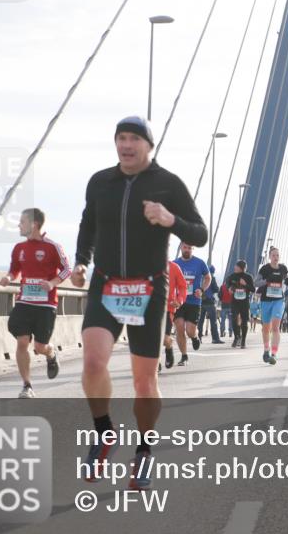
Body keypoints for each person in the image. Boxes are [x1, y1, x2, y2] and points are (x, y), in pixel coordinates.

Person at [72, 116, 207, 490]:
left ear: (149, 145)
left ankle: (145, 451)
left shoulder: (168, 185)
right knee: (93, 361)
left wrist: (169, 219)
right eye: (120, 138)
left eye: (134, 138)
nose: (126, 145)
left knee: (144, 382)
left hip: (149, 289)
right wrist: (81, 261)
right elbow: (88, 225)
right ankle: (104, 433)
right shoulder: (100, 181)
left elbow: (200, 232)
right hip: (106, 283)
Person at [0, 207, 70, 398]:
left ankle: (51, 354)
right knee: (22, 342)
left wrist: (52, 283)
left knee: (40, 347)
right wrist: (8, 277)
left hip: (46, 305)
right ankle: (27, 385)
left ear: (34, 224)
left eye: (22, 222)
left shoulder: (53, 247)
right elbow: (14, 269)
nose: (18, 225)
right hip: (24, 302)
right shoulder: (19, 248)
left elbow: (66, 270)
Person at [171, 242, 211, 365]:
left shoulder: (200, 263)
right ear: (181, 248)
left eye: (189, 248)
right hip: (178, 302)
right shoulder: (174, 264)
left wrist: (202, 289)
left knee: (190, 330)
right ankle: (184, 356)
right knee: (179, 327)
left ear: (192, 249)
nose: (187, 250)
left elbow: (208, 277)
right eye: (185, 247)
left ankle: (194, 337)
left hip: (194, 301)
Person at [256, 247, 288, 365]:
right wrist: (266, 281)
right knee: (266, 328)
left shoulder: (283, 269)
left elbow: (287, 280)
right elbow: (256, 283)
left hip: (279, 300)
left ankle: (274, 353)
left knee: (275, 327)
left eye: (277, 255)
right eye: (274, 255)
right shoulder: (264, 269)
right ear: (269, 257)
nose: (276, 258)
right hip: (266, 301)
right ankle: (266, 350)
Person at [160, 260, 188, 373]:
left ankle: (169, 347)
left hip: (167, 308)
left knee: (164, 338)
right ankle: (156, 364)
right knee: (152, 337)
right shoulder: (146, 265)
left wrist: (179, 300)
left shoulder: (174, 267)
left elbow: (183, 287)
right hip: (148, 308)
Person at [225, 261, 256, 348]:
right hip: (235, 302)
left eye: (236, 266)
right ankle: (236, 337)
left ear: (241, 268)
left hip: (244, 302)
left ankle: (243, 341)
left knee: (244, 321)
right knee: (234, 319)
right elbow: (227, 282)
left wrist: (245, 284)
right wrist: (229, 288)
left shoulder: (248, 277)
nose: (234, 267)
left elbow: (253, 289)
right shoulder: (232, 276)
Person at [199, 265, 222, 344]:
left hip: (200, 301)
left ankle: (198, 338)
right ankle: (215, 339)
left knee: (200, 321)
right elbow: (216, 289)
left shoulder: (200, 277)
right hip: (209, 302)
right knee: (213, 321)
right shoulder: (212, 278)